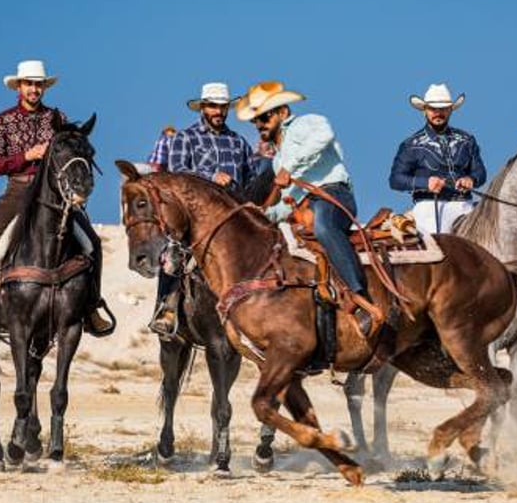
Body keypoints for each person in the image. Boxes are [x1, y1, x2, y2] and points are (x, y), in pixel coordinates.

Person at [0, 60, 114, 336]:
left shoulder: (58, 118)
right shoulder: (3, 121)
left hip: (54, 191)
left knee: (93, 243)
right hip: (17, 190)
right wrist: (26, 156)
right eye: (29, 83)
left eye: (38, 84)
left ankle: (91, 306)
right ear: (19, 86)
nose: (34, 89)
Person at [236, 81, 381, 329]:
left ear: (282, 112)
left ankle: (360, 296)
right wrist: (265, 215)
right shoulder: (276, 159)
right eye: (255, 121)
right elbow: (287, 201)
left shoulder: (307, 123)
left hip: (333, 194)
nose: (259, 125)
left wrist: (289, 167)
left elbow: (324, 136)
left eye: (264, 117)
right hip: (302, 207)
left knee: (324, 227)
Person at [149, 82, 259, 336]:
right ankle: (166, 308)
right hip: (194, 219)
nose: (218, 112)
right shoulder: (184, 138)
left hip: (231, 220)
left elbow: (250, 178)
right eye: (213, 106)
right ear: (202, 108)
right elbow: (177, 175)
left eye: (222, 107)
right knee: (172, 253)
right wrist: (210, 176)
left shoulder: (239, 143)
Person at [389, 83, 487, 234]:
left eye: (443, 109)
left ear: (450, 110)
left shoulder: (467, 140)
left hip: (465, 205)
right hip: (429, 207)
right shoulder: (411, 145)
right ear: (424, 111)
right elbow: (395, 179)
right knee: (439, 247)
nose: (438, 113)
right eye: (433, 109)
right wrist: (426, 183)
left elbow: (480, 172)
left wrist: (471, 180)